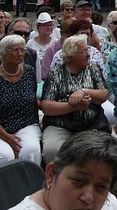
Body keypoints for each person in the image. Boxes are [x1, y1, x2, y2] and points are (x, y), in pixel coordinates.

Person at [9, 130, 117, 210]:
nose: (88, 197)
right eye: (79, 181)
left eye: (101, 186)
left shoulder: (108, 202)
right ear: (51, 174)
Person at [40, 34, 110, 164]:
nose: (88, 55)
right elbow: (46, 107)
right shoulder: (55, 73)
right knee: (52, 150)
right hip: (60, 125)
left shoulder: (93, 68)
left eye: (87, 50)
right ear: (70, 56)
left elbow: (104, 94)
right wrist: (74, 106)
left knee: (102, 151)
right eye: (83, 52)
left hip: (92, 124)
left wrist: (83, 91)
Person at [0, 35, 41, 167]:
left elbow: (34, 100)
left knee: (30, 151)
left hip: (25, 123)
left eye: (23, 50)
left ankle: (31, 180)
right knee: (5, 156)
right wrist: (6, 137)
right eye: (15, 50)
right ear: (3, 53)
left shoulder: (29, 72)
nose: (20, 54)